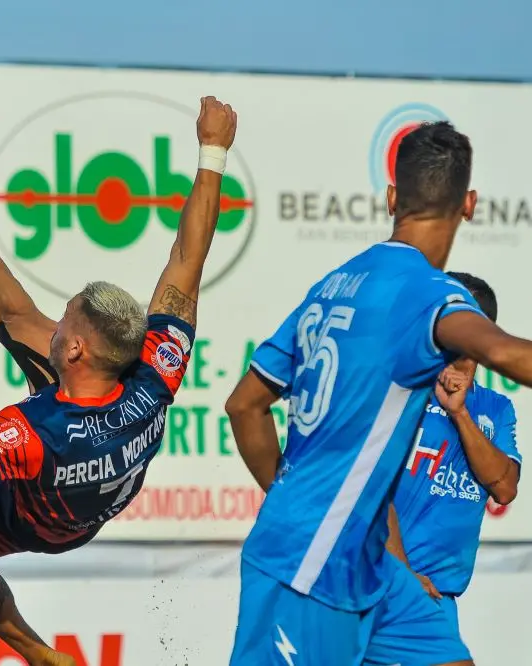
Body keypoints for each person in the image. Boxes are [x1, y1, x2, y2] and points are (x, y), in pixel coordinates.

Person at [0, 97, 236, 666]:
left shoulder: (28, 430)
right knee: (16, 317)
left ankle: (37, 652)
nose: (57, 322)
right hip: (97, 486)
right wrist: (213, 152)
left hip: (35, 516)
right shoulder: (155, 371)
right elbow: (188, 257)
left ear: (74, 347)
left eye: (65, 318)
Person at [225, 120, 532, 665]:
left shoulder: (335, 282)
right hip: (307, 561)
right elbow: (507, 354)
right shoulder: (430, 294)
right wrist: (308, 516)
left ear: (392, 197)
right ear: (469, 204)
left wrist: (291, 499)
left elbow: (245, 404)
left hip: (365, 559)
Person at [387, 271, 520, 639]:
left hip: (437, 596)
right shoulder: (401, 393)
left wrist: (459, 413)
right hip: (384, 584)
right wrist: (401, 572)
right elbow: (370, 491)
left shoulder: (496, 408)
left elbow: (505, 488)